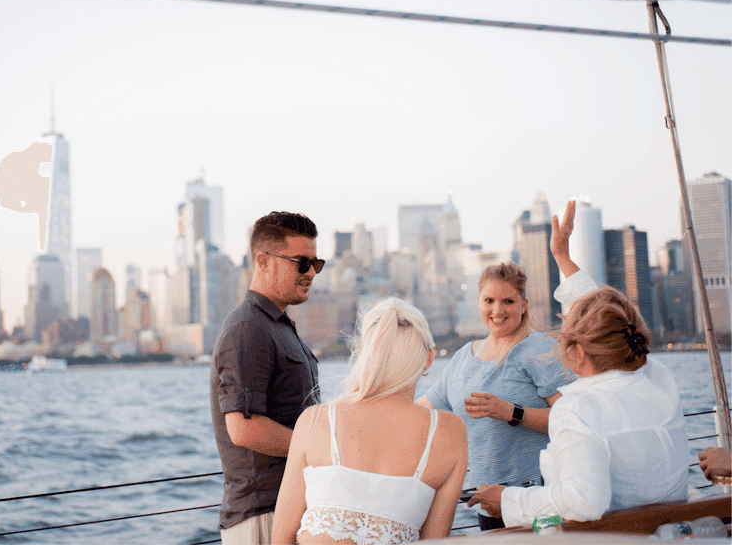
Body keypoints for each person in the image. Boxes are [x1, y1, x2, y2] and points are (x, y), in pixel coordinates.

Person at [467, 201, 690, 526]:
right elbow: (606, 312)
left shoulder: (577, 410)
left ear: (580, 355)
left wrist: (507, 499)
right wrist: (561, 256)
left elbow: (582, 502)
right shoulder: (657, 379)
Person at [415, 203, 580, 530]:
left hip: (538, 497)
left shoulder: (539, 350)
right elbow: (423, 410)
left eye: (507, 301)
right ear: (478, 302)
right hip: (487, 501)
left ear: (524, 305)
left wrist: (510, 411)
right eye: (489, 300)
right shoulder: (463, 357)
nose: (497, 310)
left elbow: (574, 421)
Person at [271, 298, 468, 544]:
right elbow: (434, 540)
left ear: (366, 354)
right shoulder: (449, 432)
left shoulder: (315, 420)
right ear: (428, 358)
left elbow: (280, 539)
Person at [210, 211, 324, 545]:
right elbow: (243, 429)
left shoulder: (278, 327)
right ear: (264, 261)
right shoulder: (248, 329)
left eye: (316, 264)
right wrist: (323, 447)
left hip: (290, 509)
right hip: (262, 517)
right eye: (301, 263)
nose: (311, 273)